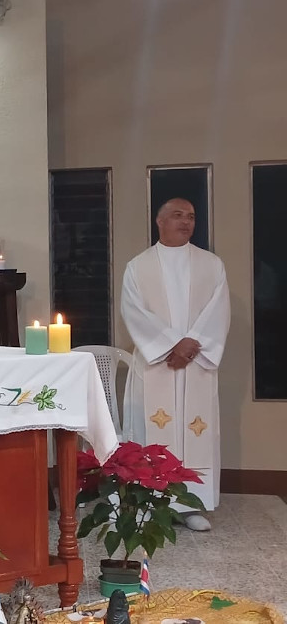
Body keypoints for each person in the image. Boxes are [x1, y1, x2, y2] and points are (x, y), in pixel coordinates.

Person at [121, 198, 230, 532]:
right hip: (157, 363)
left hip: (196, 362)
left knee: (195, 431)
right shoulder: (138, 266)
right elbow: (133, 311)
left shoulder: (211, 265)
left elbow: (219, 310)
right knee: (152, 432)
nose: (186, 221)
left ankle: (190, 506)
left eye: (191, 217)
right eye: (178, 215)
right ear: (160, 221)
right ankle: (149, 504)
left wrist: (191, 343)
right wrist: (172, 343)